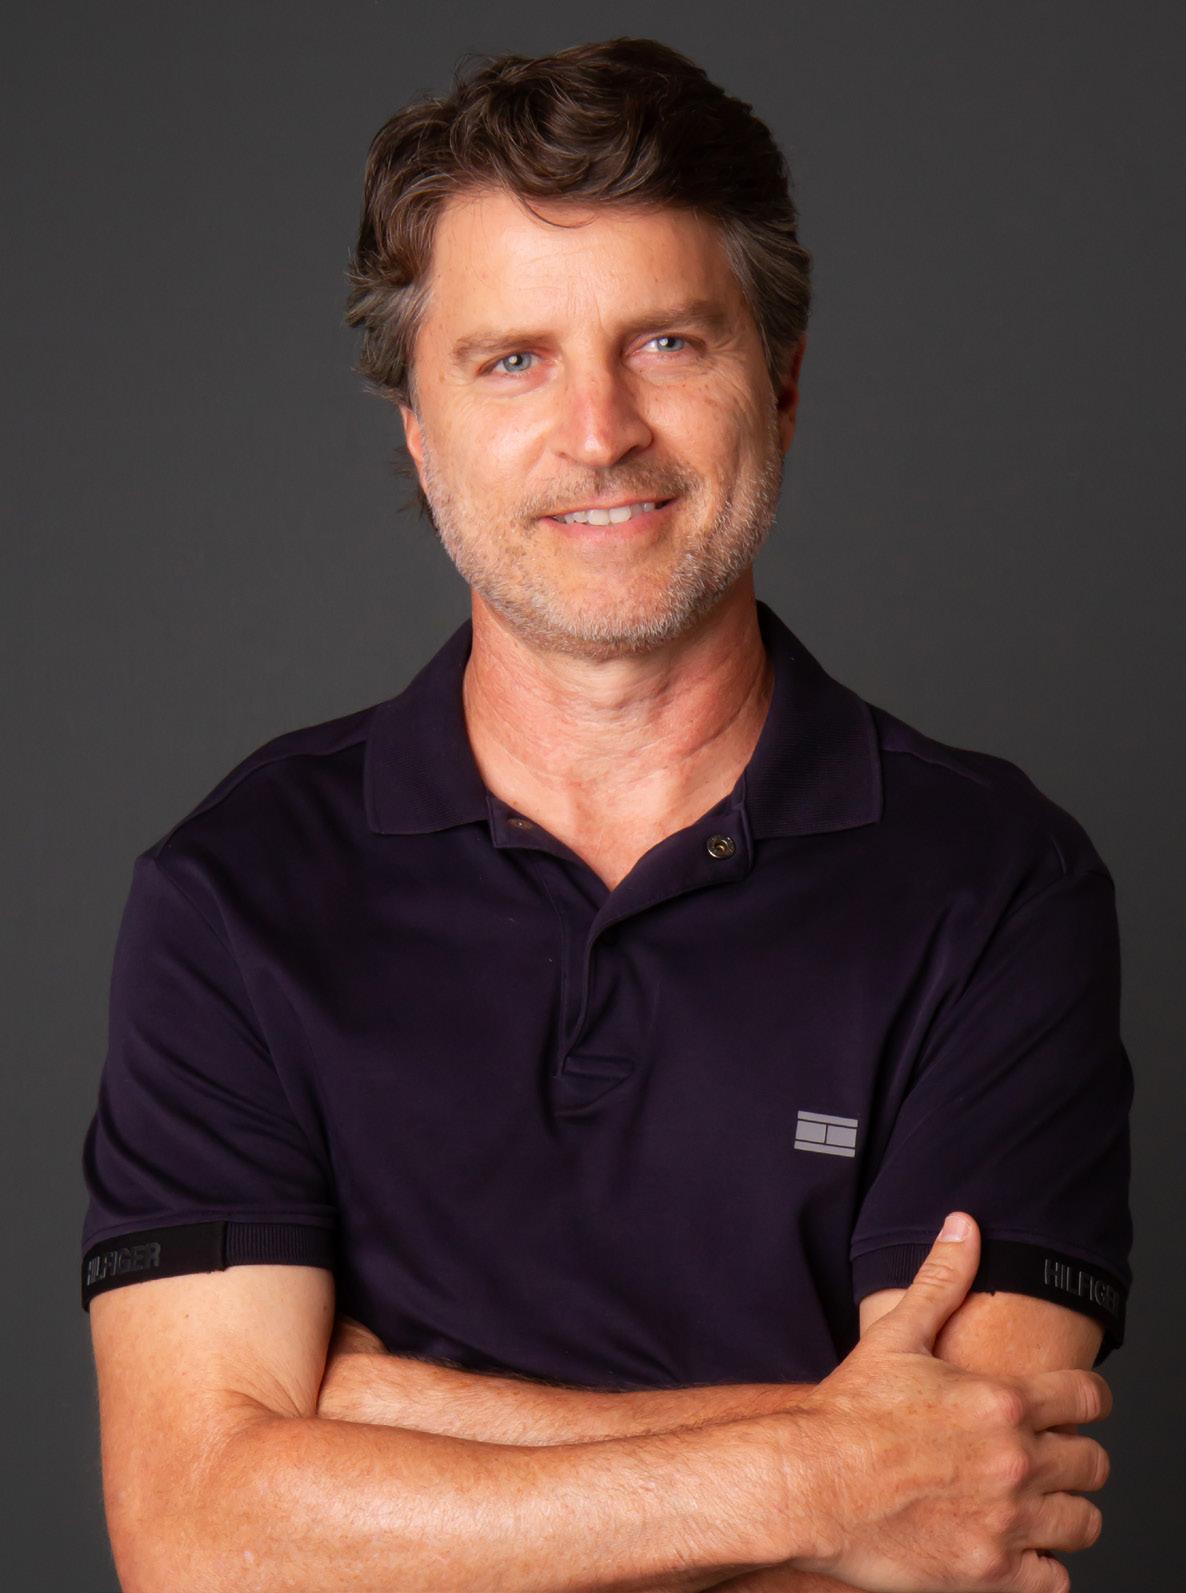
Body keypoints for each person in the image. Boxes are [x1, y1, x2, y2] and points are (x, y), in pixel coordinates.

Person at [79, 36, 1130, 1593]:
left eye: (666, 343)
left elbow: (969, 1512)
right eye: (511, 359)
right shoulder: (234, 894)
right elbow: (198, 1537)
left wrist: (375, 1421)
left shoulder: (996, 885)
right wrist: (823, 1469)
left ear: (780, 383)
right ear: (418, 428)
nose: (597, 430)